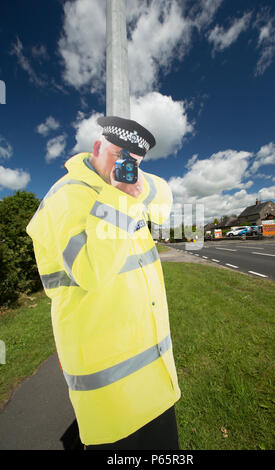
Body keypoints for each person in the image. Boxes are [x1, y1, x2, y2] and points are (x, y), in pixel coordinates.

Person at [26, 116, 181, 450]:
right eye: (117, 156)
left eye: (133, 161)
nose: (123, 166)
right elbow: (93, 272)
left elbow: (165, 204)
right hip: (112, 391)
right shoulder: (63, 199)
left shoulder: (124, 185)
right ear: (96, 147)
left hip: (155, 377)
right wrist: (121, 198)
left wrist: (135, 184)